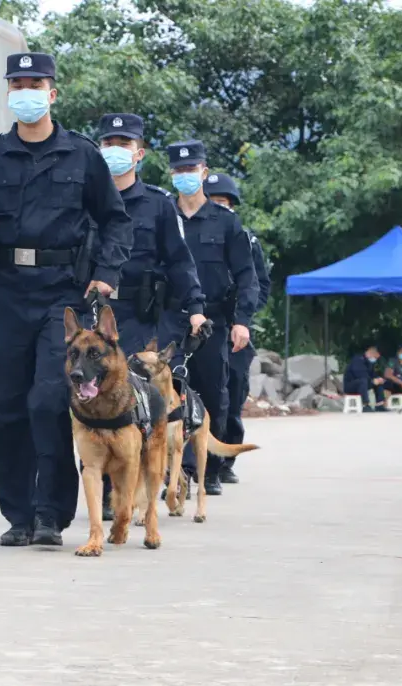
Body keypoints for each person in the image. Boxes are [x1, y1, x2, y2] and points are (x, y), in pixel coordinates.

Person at [0, 53, 133, 547]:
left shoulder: (82, 155)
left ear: (52, 93)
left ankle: (51, 513)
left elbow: (115, 219)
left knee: (49, 400)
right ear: (9, 93)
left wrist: (106, 273)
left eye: (36, 83)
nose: (26, 91)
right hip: (6, 291)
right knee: (5, 404)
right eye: (18, 83)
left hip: (61, 295)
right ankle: (19, 516)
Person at [95, 112, 207, 519]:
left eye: (123, 145)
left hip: (139, 318)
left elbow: (180, 262)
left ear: (139, 153)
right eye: (109, 144)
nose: (115, 151)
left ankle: (132, 491)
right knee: (93, 401)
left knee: (136, 407)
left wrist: (195, 308)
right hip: (95, 316)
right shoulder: (87, 198)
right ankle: (106, 489)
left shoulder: (158, 206)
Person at [166, 140, 258, 497]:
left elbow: (247, 276)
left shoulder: (227, 223)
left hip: (214, 322)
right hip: (170, 318)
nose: (185, 176)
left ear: (203, 172)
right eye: (179, 170)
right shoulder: (164, 216)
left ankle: (208, 468)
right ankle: (178, 472)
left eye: (191, 170)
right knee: (168, 396)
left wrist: (242, 320)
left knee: (212, 396)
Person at [204, 172, 271, 484]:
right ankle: (197, 465)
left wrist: (242, 317)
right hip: (204, 322)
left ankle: (224, 459)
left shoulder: (246, 240)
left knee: (232, 394)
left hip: (237, 328)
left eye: (225, 203)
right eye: (214, 202)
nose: (220, 208)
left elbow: (260, 284)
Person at [343, 343, 387, 412]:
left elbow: (372, 374)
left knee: (379, 382)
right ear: (371, 353)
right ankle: (365, 404)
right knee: (363, 380)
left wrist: (378, 379)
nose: (375, 360)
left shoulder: (369, 363)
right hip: (351, 385)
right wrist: (372, 381)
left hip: (363, 384)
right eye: (375, 357)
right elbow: (360, 375)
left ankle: (380, 405)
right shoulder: (357, 360)